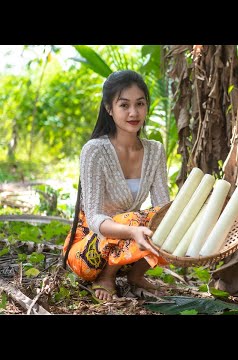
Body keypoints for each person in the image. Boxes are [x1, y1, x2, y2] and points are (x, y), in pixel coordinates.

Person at [63, 70, 170, 302]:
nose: (134, 112)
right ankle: (106, 277)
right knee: (134, 219)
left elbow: (163, 206)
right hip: (90, 252)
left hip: (133, 248)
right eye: (124, 105)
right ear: (109, 109)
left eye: (140, 104)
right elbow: (94, 219)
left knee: (167, 215)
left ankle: (135, 274)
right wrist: (132, 230)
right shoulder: (94, 150)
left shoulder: (155, 151)